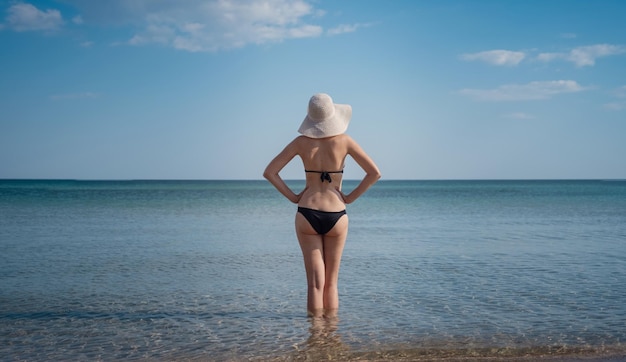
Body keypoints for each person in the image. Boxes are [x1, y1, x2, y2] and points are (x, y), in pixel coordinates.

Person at [264, 93, 381, 318]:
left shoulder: (301, 143)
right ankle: (331, 340)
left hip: (307, 212)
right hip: (336, 213)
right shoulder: (345, 141)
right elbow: (374, 173)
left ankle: (315, 338)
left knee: (315, 284)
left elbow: (270, 172)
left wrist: (293, 196)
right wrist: (350, 197)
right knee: (331, 284)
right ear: (333, 116)